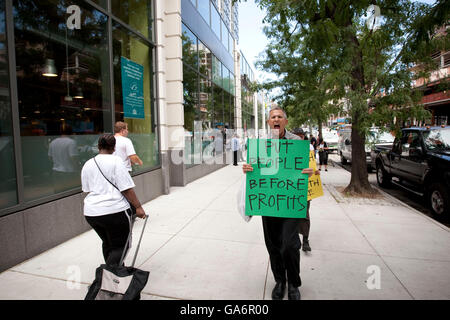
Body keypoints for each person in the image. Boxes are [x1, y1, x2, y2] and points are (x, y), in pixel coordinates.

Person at [242, 108, 314, 300]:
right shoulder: (261, 144)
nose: (276, 119)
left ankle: (294, 283)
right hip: (269, 202)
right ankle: (280, 281)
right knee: (273, 244)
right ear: (268, 122)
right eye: (273, 117)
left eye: (279, 117)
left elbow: (309, 169)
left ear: (285, 121)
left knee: (290, 244)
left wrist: (309, 171)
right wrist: (248, 168)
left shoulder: (297, 143)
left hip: (290, 202)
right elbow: (255, 169)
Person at [81, 134, 146, 266]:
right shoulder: (116, 161)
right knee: (122, 246)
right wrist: (138, 207)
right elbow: (127, 188)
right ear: (114, 148)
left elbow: (87, 189)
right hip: (114, 211)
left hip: (92, 213)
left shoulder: (88, 164)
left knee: (108, 243)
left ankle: (114, 273)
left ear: (98, 146)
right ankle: (107, 278)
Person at [292, 128, 320, 253]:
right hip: (291, 186)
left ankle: (305, 240)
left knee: (305, 213)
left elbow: (313, 163)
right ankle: (295, 237)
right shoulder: (289, 146)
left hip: (305, 186)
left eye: (301, 136)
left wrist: (316, 170)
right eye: (297, 136)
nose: (299, 138)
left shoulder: (309, 147)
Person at [48, 125, 80, 193]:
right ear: (71, 132)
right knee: (70, 193)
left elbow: (50, 157)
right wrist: (78, 169)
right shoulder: (71, 142)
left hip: (56, 171)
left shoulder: (53, 142)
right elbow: (73, 158)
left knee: (58, 193)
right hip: (68, 172)